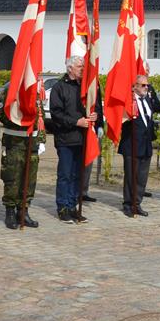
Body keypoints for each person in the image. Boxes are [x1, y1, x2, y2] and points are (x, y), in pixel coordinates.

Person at [48, 55, 102, 223]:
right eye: (80, 67)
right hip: (66, 138)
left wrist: (95, 115)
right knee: (65, 174)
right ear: (70, 68)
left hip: (83, 139)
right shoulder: (59, 88)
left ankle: (73, 205)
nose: (83, 69)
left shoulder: (86, 88)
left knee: (77, 175)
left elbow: (97, 106)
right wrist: (75, 122)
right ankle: (63, 207)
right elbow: (56, 114)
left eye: (84, 67)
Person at [0, 80, 42, 230]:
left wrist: (41, 139)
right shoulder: (9, 91)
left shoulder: (34, 90)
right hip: (15, 141)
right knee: (13, 178)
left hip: (32, 142)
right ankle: (10, 211)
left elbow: (39, 117)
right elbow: (1, 116)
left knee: (29, 179)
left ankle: (23, 210)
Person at [118, 75, 160, 217]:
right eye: (143, 85)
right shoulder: (129, 100)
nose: (146, 88)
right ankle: (128, 204)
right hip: (132, 143)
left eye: (147, 85)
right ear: (134, 86)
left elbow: (156, 109)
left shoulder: (147, 99)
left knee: (142, 177)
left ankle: (137, 203)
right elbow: (122, 119)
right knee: (131, 176)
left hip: (145, 143)